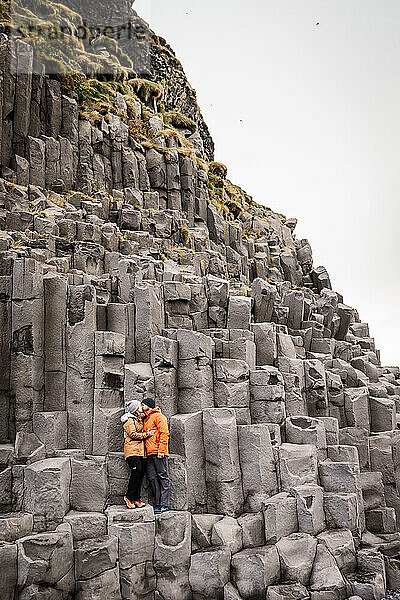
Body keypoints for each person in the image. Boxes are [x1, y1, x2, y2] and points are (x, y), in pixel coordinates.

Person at [121, 400, 156, 510]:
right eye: (139, 406)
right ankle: (128, 497)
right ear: (135, 409)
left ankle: (136, 498)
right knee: (136, 472)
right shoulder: (129, 421)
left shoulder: (139, 418)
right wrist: (147, 434)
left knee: (140, 474)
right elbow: (132, 434)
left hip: (140, 452)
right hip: (132, 451)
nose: (141, 407)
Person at [141, 397, 170, 514]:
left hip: (159, 452)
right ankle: (157, 503)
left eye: (143, 405)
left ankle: (164, 504)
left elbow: (164, 433)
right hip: (148, 454)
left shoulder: (159, 416)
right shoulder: (146, 418)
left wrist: (161, 450)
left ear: (149, 405)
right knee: (152, 478)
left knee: (163, 477)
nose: (142, 407)